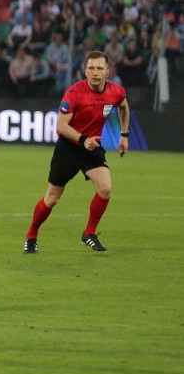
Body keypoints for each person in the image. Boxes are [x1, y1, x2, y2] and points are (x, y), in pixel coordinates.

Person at [24, 51, 129, 254]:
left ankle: (89, 233)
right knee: (52, 198)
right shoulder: (74, 93)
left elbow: (123, 106)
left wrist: (124, 134)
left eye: (99, 68)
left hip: (92, 148)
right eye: (91, 68)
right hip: (69, 148)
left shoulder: (116, 91)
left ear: (108, 72)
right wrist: (83, 139)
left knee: (105, 188)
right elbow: (61, 126)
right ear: (85, 70)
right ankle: (31, 234)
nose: (95, 72)